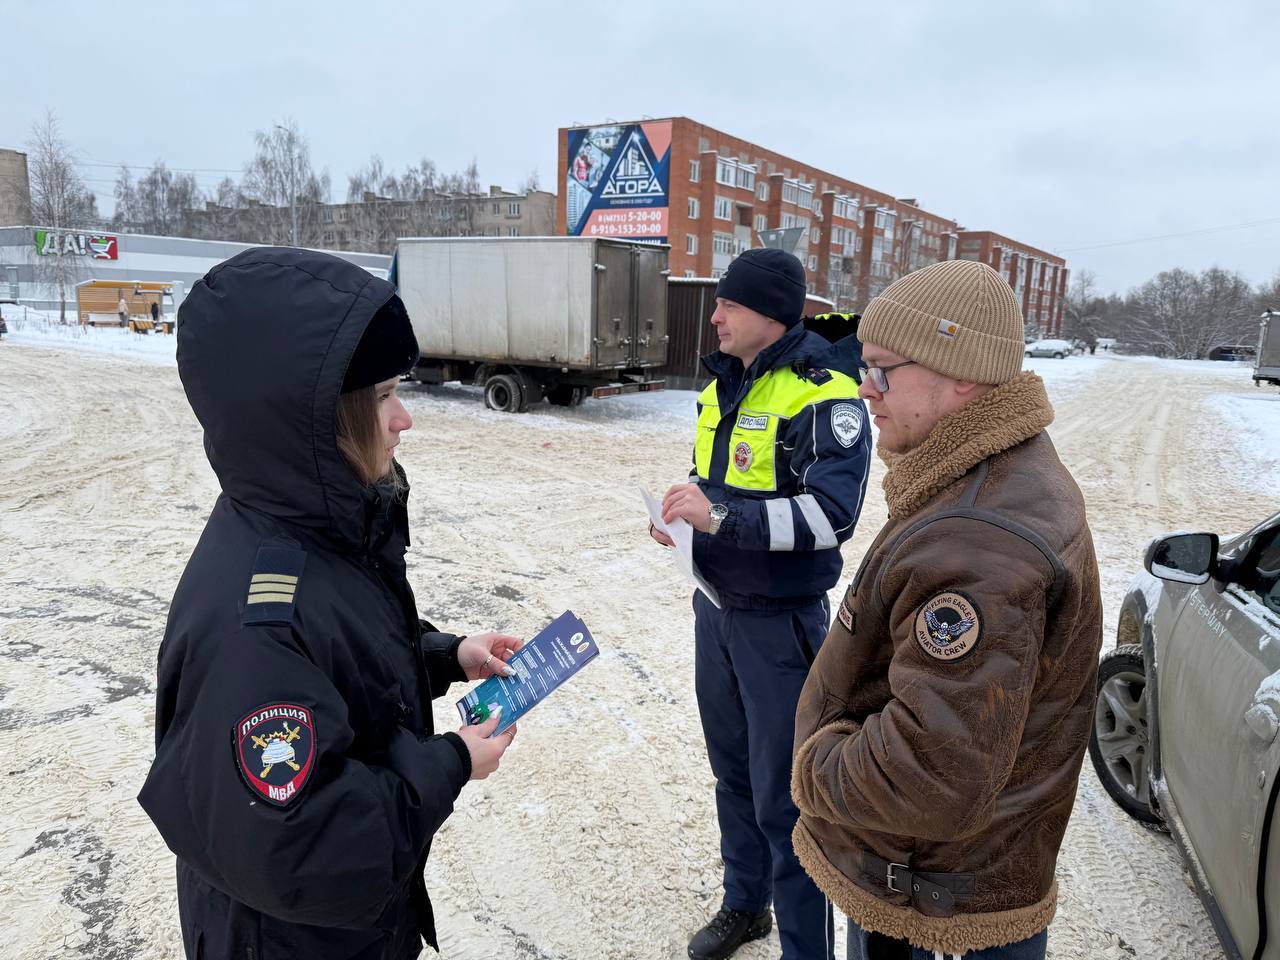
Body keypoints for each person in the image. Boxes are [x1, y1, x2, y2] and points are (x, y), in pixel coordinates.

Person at [138, 248, 522, 960]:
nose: (404, 418)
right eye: (381, 397)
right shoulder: (256, 621)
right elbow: (307, 846)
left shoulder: (305, 523)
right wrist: (452, 762)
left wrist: (445, 655)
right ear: (312, 418)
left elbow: (341, 652)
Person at [790, 260, 1102, 960]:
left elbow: (930, 769)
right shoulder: (992, 473)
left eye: (881, 370)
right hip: (947, 875)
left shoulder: (978, 537)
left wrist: (815, 767)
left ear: (960, 373)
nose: (864, 389)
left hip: (933, 903)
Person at [655, 248, 872, 960]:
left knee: (789, 799)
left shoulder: (824, 390)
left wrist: (722, 519)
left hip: (780, 625)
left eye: (729, 305)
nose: (713, 315)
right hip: (715, 610)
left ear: (769, 313)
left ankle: (806, 950)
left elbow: (831, 516)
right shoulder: (723, 385)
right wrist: (684, 517)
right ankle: (747, 905)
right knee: (734, 776)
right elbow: (716, 481)